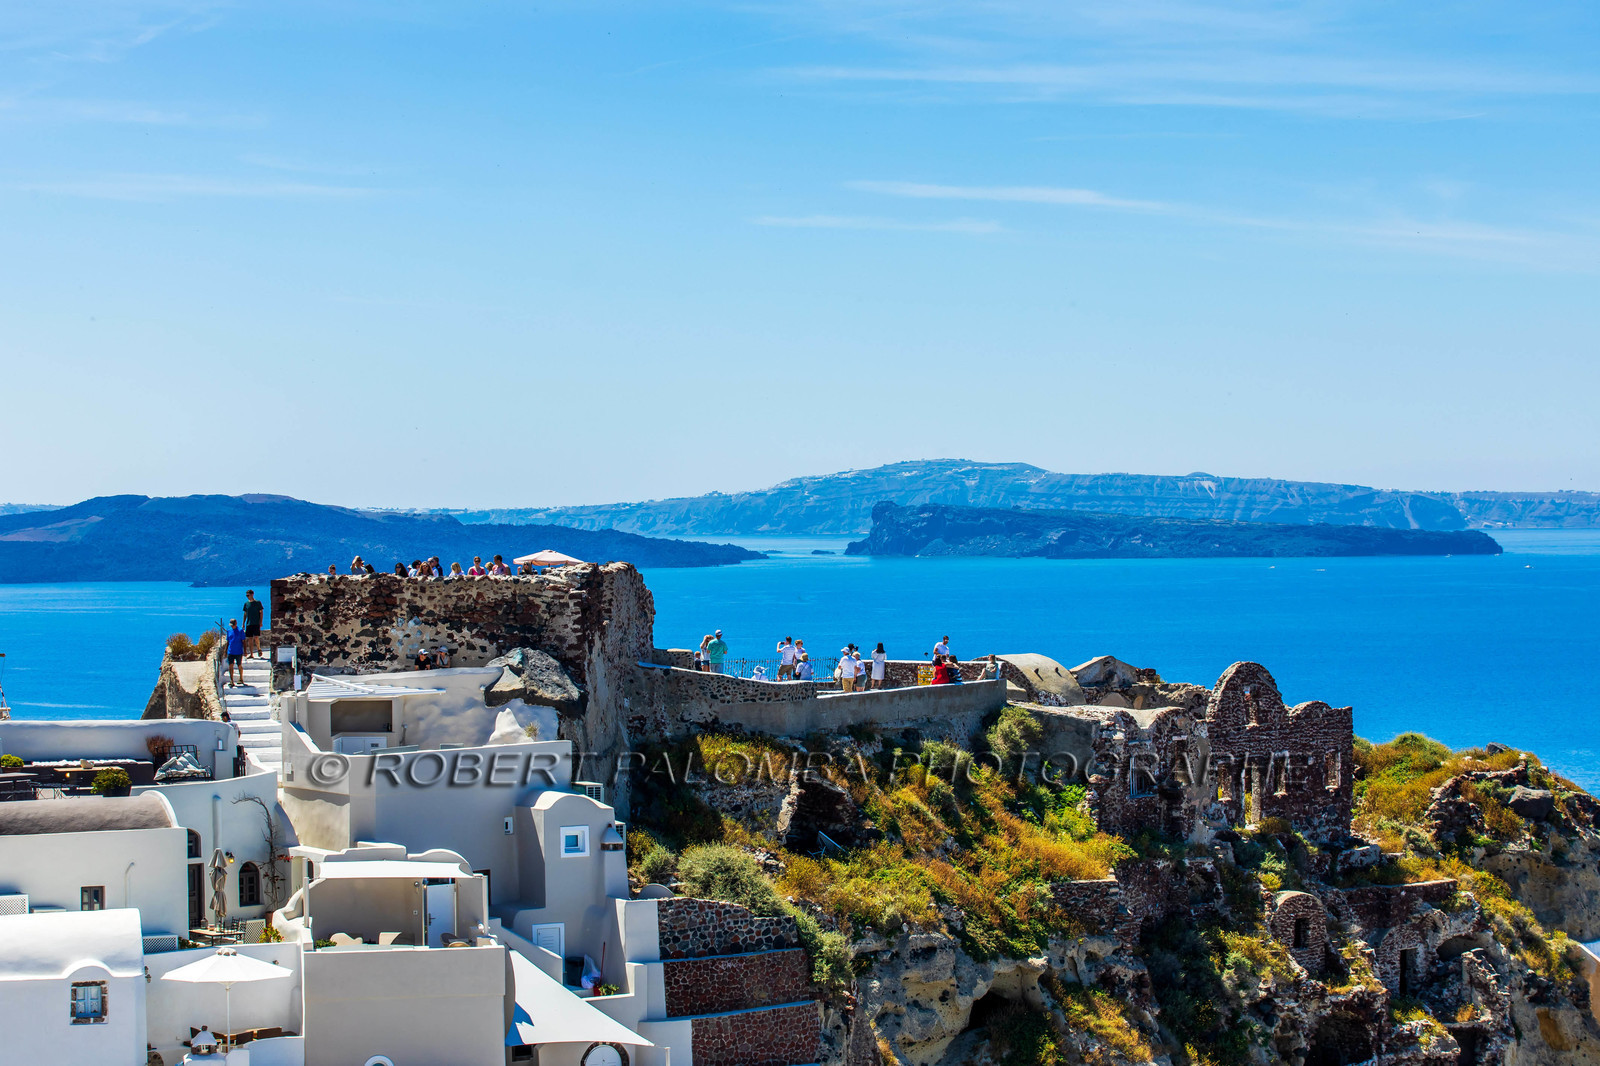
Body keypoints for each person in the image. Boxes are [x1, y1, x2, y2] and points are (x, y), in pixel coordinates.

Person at [241, 590, 265, 660]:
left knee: (256, 637)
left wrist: (260, 622)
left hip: (256, 623)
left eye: (248, 595)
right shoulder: (246, 604)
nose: (247, 597)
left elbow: (261, 612)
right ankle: (251, 654)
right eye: (246, 595)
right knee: (250, 639)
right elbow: (245, 614)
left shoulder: (257, 603)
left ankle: (259, 648)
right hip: (249, 623)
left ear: (252, 594)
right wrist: (243, 623)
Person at [224, 619, 246, 687]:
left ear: (236, 624)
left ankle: (241, 678)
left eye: (233, 625)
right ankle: (231, 680)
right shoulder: (229, 630)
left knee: (239, 665)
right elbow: (228, 641)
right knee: (230, 665)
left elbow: (243, 641)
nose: (232, 626)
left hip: (238, 651)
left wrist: (245, 651)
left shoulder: (240, 630)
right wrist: (225, 651)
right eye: (231, 625)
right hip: (231, 651)